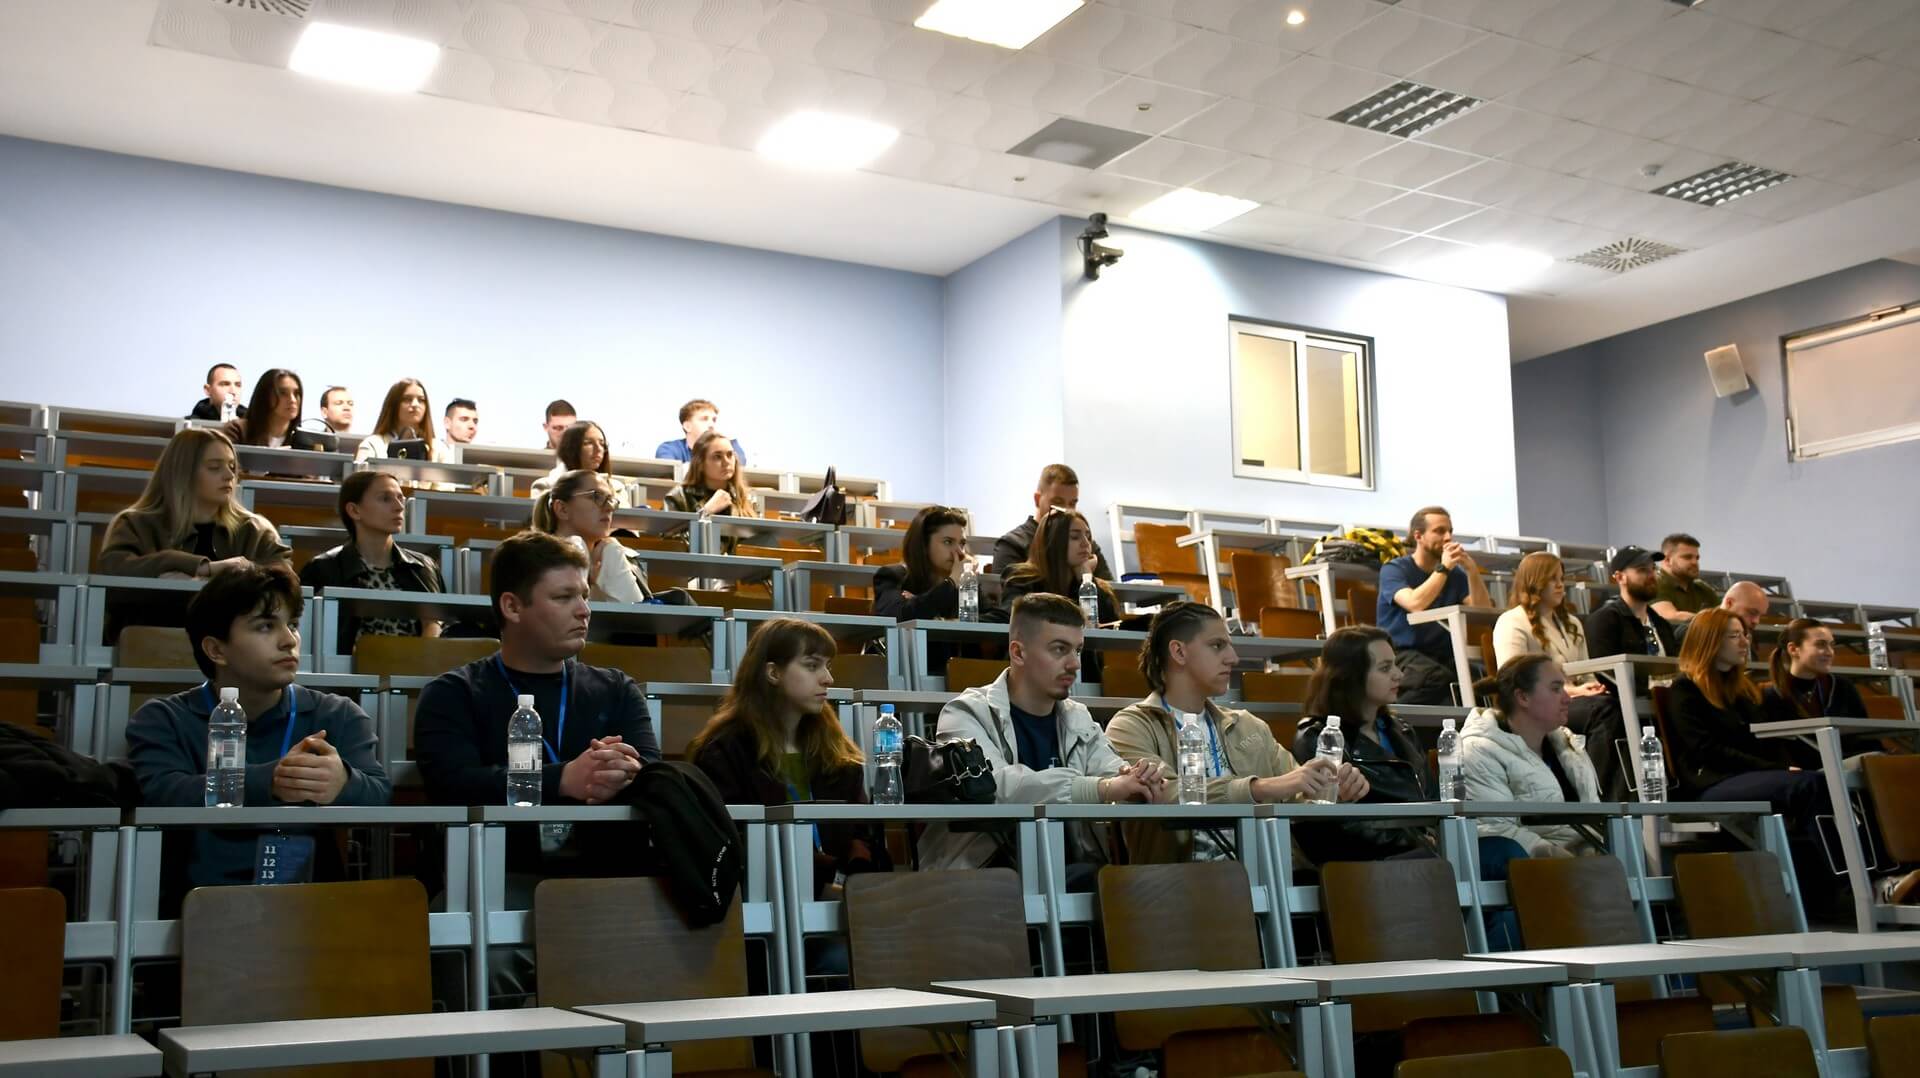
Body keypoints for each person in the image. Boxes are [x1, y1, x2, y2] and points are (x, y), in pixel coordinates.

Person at [125, 563, 390, 892]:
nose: (289, 640)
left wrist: (344, 782)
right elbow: (165, 796)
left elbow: (380, 796)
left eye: (292, 625)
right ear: (216, 650)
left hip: (310, 906)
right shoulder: (162, 719)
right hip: (194, 905)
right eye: (265, 626)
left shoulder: (336, 714)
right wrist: (271, 781)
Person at [413, 531, 659, 873]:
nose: (584, 611)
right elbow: (452, 786)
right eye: (563, 597)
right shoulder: (453, 694)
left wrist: (622, 773)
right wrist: (563, 779)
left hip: (606, 877)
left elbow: (651, 774)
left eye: (584, 596)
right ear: (512, 607)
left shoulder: (618, 689)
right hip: (495, 875)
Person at [919, 594, 1169, 877]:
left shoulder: (1077, 716)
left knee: (1139, 884)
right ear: (1018, 653)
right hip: (984, 876)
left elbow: (1110, 771)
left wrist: (1139, 780)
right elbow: (996, 787)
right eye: (1059, 649)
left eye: (1077, 650)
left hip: (1070, 871)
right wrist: (1104, 788)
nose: (1075, 664)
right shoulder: (965, 712)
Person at [1107, 602, 1362, 864]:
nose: (1233, 658)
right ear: (1179, 652)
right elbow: (1164, 794)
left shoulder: (1249, 725)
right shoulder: (1132, 725)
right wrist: (1257, 788)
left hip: (1266, 872)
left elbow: (1297, 795)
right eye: (1217, 645)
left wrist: (1333, 790)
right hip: (1180, 879)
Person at [688, 618, 885, 897]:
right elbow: (731, 847)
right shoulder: (724, 752)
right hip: (764, 900)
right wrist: (826, 878)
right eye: (812, 666)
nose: (828, 678)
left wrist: (851, 878)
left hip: (845, 897)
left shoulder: (835, 749)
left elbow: (861, 835)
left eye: (827, 666)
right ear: (773, 673)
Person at [1664, 608, 1831, 898]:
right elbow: (1706, 751)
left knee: (1824, 780)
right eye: (1734, 636)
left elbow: (1764, 739)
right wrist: (1775, 769)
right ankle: (1839, 882)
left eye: (1745, 635)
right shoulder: (1685, 689)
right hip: (1710, 782)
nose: (1745, 642)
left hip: (1745, 776)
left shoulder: (1741, 691)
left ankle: (1839, 882)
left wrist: (1781, 767)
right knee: (1809, 785)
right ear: (1710, 641)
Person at [1292, 627, 1438, 864]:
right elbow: (1342, 825)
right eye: (1385, 668)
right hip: (1368, 862)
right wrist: (1419, 842)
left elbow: (1432, 797)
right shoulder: (1317, 735)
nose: (1399, 674)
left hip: (1422, 853)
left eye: (1395, 665)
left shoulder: (1402, 730)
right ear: (1351, 676)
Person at [1492, 552, 1627, 800]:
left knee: (1617, 704)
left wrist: (1593, 687)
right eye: (1552, 579)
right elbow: (1513, 677)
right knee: (1605, 711)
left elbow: (1586, 674)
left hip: (1574, 699)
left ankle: (1619, 797)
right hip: (1535, 703)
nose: (1560, 585)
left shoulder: (1572, 623)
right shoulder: (1511, 621)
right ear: (1534, 581)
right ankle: (1601, 798)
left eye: (1561, 578)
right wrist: (1574, 691)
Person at [1459, 655, 1601, 861]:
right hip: (1537, 866)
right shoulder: (1478, 750)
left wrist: (1595, 855)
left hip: (1584, 860)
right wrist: (1561, 859)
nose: (1568, 698)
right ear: (1523, 697)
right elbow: (1496, 829)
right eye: (1556, 689)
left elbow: (1592, 819)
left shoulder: (1567, 743)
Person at [99, 427, 290, 579]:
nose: (229, 475)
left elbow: (285, 581)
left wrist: (235, 573)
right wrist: (199, 567)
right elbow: (114, 571)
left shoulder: (255, 530)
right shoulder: (135, 524)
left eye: (232, 466)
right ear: (183, 473)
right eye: (214, 467)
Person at [299, 470, 444, 656]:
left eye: (400, 498)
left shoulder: (423, 567)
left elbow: (438, 626)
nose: (399, 506)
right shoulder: (322, 569)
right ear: (354, 510)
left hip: (415, 668)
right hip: (345, 672)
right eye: (385, 499)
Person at [1376, 505, 1491, 704]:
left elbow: (1482, 612)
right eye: (1439, 531)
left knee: (1478, 684)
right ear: (1418, 536)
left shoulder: (1456, 575)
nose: (1448, 537)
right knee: (1434, 678)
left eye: (1450, 531)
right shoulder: (1394, 569)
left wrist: (1472, 571)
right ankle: (1388, 716)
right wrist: (1444, 567)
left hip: (1443, 654)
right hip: (1400, 653)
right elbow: (1415, 603)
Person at [993, 509, 1121, 683]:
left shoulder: (1093, 585)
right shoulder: (1022, 578)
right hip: (1033, 671)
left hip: (1084, 674)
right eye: (1075, 537)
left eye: (1088, 536)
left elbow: (1108, 624)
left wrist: (1085, 579)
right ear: (1053, 541)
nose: (1086, 543)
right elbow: (1013, 616)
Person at [531, 469, 653, 604]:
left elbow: (639, 614)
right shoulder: (532, 561)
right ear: (562, 509)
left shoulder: (611, 553)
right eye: (596, 497)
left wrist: (612, 558)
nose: (609, 508)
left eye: (610, 500)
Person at [1583, 546, 1680, 700]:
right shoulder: (1605, 620)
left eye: (1653, 569)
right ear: (1620, 577)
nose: (1651, 575)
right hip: (1631, 704)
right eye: (1642, 570)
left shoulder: (1661, 624)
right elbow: (1607, 675)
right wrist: (1649, 696)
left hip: (1667, 701)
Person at [990, 463, 1113, 579]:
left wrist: (1087, 577)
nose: (1066, 511)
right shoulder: (1013, 544)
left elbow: (1113, 592)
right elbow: (1006, 592)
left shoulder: (1086, 545)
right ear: (1037, 499)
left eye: (1072, 504)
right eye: (1057, 503)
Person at [872, 505, 972, 622]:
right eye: (948, 542)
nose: (960, 552)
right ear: (924, 544)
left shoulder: (965, 581)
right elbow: (894, 617)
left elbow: (990, 617)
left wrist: (941, 620)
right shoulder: (893, 575)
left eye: (962, 543)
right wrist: (952, 582)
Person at [663, 429, 758, 534]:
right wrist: (706, 511)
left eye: (730, 455)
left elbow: (757, 540)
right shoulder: (678, 497)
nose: (726, 462)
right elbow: (669, 538)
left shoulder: (745, 498)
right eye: (717, 457)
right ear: (700, 464)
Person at [530, 421, 635, 507]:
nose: (598, 449)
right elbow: (540, 523)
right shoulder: (545, 487)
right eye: (588, 443)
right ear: (570, 448)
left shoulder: (617, 489)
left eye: (602, 444)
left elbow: (627, 525)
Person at [355, 378, 451, 463]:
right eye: (407, 399)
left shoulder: (439, 448)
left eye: (421, 400)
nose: (415, 404)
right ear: (393, 405)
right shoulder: (372, 444)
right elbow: (360, 477)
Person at [655, 398, 747, 466]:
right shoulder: (669, 449)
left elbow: (738, 468)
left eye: (714, 420)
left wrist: (731, 442)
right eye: (704, 419)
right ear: (687, 426)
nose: (711, 425)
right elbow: (670, 471)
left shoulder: (723, 449)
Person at [225, 368, 304, 448]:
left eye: (296, 393)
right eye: (283, 393)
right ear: (265, 396)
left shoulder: (303, 439)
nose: (292, 400)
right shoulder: (237, 430)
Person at [1652, 533, 1718, 626]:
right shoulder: (1654, 583)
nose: (1695, 562)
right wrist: (1713, 620)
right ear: (1667, 560)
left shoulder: (1701, 587)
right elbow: (1669, 616)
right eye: (1687, 557)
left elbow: (1725, 615)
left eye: (1697, 558)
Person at [1682, 581, 1770, 644]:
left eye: (1760, 616)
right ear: (1729, 603)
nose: (1756, 621)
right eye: (1752, 612)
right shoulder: (1694, 630)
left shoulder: (1747, 637)